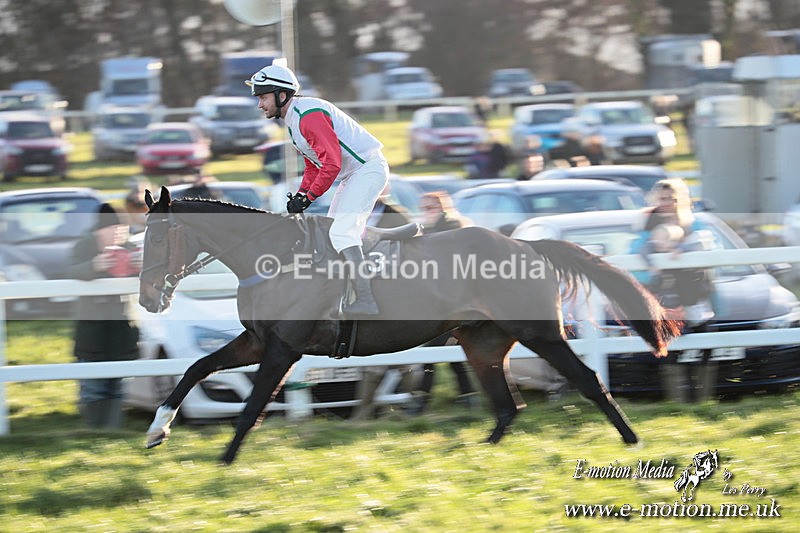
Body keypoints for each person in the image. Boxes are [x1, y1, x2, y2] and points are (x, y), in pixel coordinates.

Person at [248, 59, 388, 316]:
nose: (260, 104)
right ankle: (347, 291)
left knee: (342, 233)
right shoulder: (293, 119)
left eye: (263, 97)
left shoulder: (307, 115)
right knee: (332, 232)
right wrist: (302, 194)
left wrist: (310, 196)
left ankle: (367, 299)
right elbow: (314, 164)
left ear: (281, 95)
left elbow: (332, 163)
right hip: (355, 174)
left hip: (367, 170)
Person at [631, 178, 717, 402]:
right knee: (670, 345)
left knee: (706, 341)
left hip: (695, 291)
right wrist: (656, 257)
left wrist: (682, 249)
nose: (667, 202)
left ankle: (702, 396)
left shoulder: (695, 223)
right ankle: (678, 398)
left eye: (672, 198)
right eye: (663, 198)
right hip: (665, 294)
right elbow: (636, 253)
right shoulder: (647, 223)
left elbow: (709, 246)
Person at [63, 204, 141, 429]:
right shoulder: (84, 246)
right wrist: (94, 265)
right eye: (114, 228)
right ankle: (95, 430)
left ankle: (111, 430)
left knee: (118, 385)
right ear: (99, 230)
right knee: (93, 386)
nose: (118, 233)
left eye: (122, 228)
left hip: (122, 329)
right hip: (92, 331)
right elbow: (70, 272)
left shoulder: (130, 248)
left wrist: (139, 267)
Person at [408, 191, 480, 413]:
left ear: (442, 207)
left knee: (433, 351)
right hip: (445, 302)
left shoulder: (451, 226)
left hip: (455, 302)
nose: (425, 212)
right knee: (449, 352)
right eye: (424, 208)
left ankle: (420, 401)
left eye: (430, 207)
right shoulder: (434, 228)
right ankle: (469, 397)